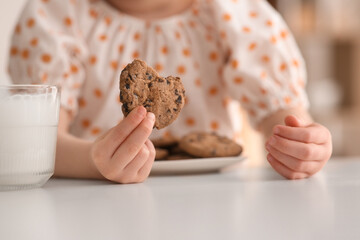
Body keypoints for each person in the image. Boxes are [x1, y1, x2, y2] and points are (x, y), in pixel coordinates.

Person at [8, 0, 332, 183]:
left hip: (212, 200)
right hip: (93, 197)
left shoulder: (236, 13)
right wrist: (94, 162)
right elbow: (41, 144)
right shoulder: (55, 15)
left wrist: (305, 144)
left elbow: (287, 117)